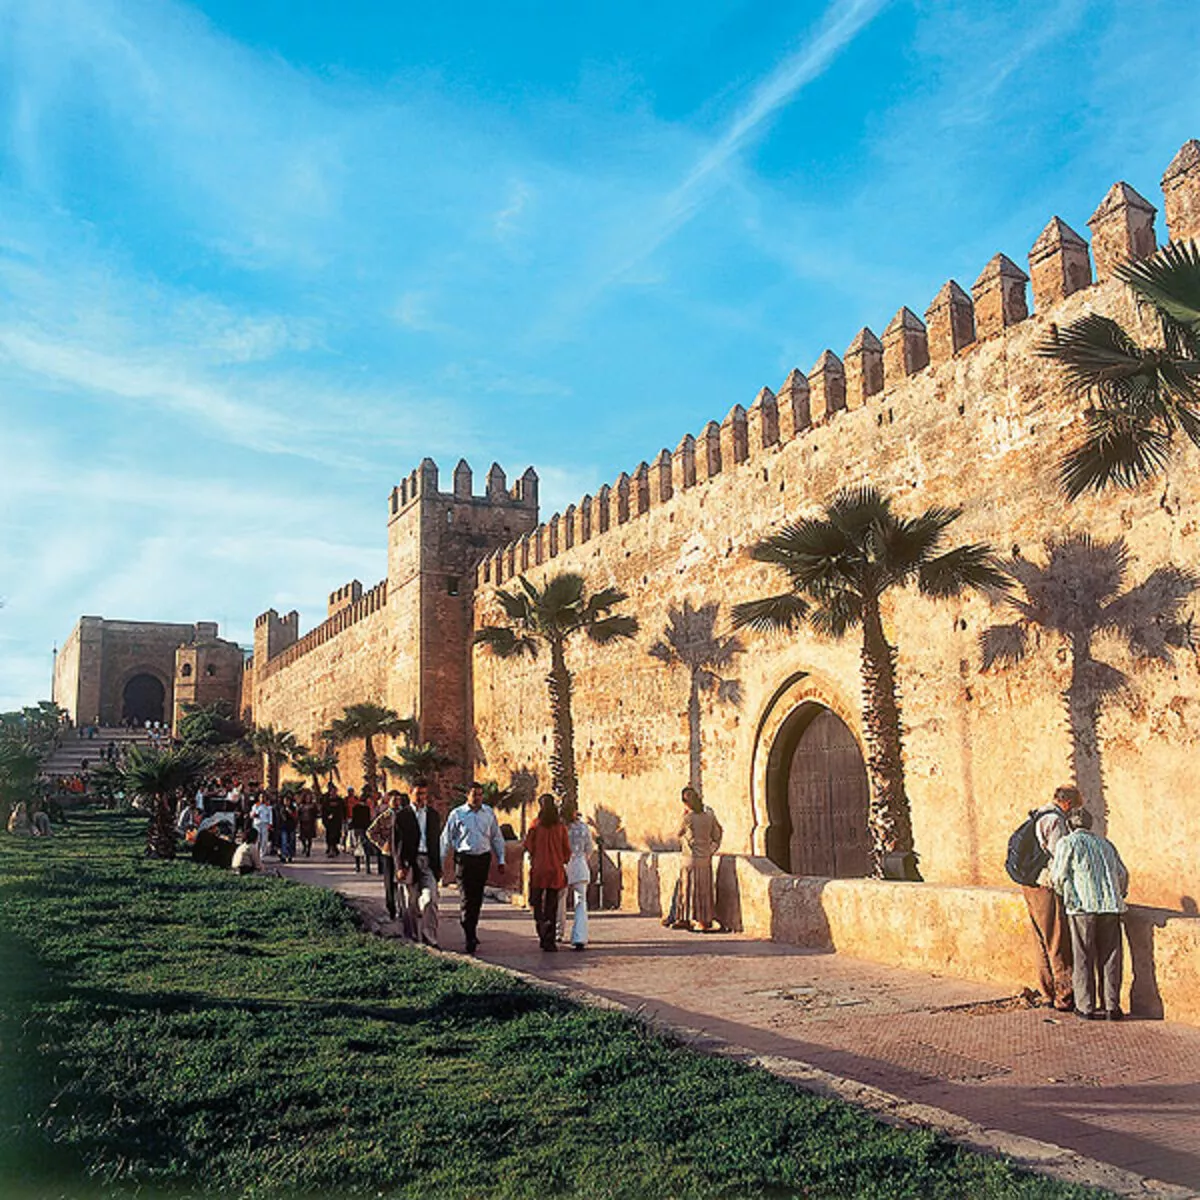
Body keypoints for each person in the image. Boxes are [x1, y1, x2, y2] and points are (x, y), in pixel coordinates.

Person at [1050, 808, 1129, 1020]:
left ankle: (1086, 1006)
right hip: (1111, 906)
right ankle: (1112, 1006)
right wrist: (1118, 894)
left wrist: (1066, 895)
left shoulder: (1067, 843)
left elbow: (1057, 876)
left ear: (1070, 825)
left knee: (1083, 956)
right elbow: (1122, 874)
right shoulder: (1106, 844)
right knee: (1111, 956)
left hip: (1082, 907)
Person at [1019, 785, 1081, 1012]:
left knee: (1041, 940)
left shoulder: (1039, 814)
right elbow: (1059, 856)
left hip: (1030, 883)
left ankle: (1047, 992)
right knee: (1056, 939)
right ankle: (1064, 995)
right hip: (1045, 886)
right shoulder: (1055, 821)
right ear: (1068, 803)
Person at [441, 781, 506, 954]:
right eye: (473, 794)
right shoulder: (457, 814)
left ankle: (471, 928)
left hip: (482, 859)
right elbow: (447, 838)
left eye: (479, 794)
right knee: (466, 898)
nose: (476, 798)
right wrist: (440, 863)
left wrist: (501, 859)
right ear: (467, 795)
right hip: (464, 860)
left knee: (477, 899)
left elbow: (496, 837)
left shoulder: (488, 813)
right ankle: (469, 934)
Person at [397, 782, 442, 947]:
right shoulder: (403, 815)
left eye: (424, 794)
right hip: (410, 862)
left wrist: (438, 866)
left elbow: (436, 842)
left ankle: (430, 937)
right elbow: (397, 844)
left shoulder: (433, 815)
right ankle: (412, 937)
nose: (421, 797)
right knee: (411, 902)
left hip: (428, 862)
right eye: (418, 794)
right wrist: (400, 866)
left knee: (431, 899)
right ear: (410, 793)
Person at [524, 794, 571, 951]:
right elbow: (567, 851)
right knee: (552, 905)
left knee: (537, 903)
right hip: (556, 871)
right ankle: (549, 939)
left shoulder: (535, 825)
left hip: (539, 870)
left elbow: (528, 845)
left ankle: (542, 931)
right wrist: (561, 860)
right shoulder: (561, 827)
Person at [675, 786, 723, 932]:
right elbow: (718, 833)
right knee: (703, 890)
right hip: (705, 858)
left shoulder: (688, 818)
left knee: (688, 889)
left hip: (690, 858)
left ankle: (686, 918)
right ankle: (704, 920)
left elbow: (679, 833)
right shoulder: (709, 815)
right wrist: (711, 849)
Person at [557, 797, 594, 950]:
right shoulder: (583, 828)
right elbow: (589, 849)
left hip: (562, 865)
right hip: (579, 864)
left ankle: (558, 932)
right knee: (580, 901)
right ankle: (579, 936)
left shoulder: (559, 828)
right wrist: (582, 859)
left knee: (560, 900)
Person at [367, 792, 403, 924]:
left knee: (403, 883)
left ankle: (404, 910)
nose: (396, 802)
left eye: (398, 800)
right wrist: (382, 844)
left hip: (402, 853)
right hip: (388, 855)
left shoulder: (405, 815)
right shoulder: (384, 817)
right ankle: (391, 910)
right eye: (393, 800)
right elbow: (370, 832)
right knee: (389, 884)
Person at [348, 790, 373, 874]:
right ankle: (367, 867)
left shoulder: (355, 808)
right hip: (365, 829)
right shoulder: (367, 808)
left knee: (357, 848)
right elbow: (369, 819)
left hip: (357, 829)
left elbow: (354, 819)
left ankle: (357, 867)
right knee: (366, 849)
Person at [250, 792, 274, 860]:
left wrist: (270, 824)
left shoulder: (268, 806)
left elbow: (270, 816)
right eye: (261, 797)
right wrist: (253, 814)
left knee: (264, 840)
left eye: (263, 797)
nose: (262, 798)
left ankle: (262, 855)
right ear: (258, 798)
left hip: (265, 824)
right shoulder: (255, 805)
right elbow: (251, 814)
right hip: (257, 824)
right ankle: (255, 854)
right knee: (257, 840)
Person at [321, 789, 343, 857]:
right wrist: (325, 819)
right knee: (330, 836)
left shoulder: (340, 800)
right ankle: (331, 849)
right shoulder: (326, 801)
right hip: (329, 822)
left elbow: (342, 810)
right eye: (332, 792)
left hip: (337, 822)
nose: (333, 793)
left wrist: (342, 818)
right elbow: (323, 811)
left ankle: (334, 848)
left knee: (336, 835)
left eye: (334, 792)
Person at [297, 790, 319, 858]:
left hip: (310, 823)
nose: (308, 799)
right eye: (307, 798)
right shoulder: (301, 806)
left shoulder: (313, 805)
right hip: (303, 823)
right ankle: (305, 846)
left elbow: (316, 813)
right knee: (302, 837)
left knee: (309, 838)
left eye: (309, 798)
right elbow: (298, 814)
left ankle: (308, 850)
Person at [278, 796, 298, 864]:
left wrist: (290, 812)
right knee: (284, 842)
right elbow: (282, 818)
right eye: (285, 801)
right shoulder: (281, 808)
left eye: (288, 801)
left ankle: (290, 856)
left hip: (291, 827)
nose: (286, 802)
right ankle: (284, 856)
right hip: (284, 827)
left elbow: (295, 817)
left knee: (291, 842)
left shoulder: (293, 808)